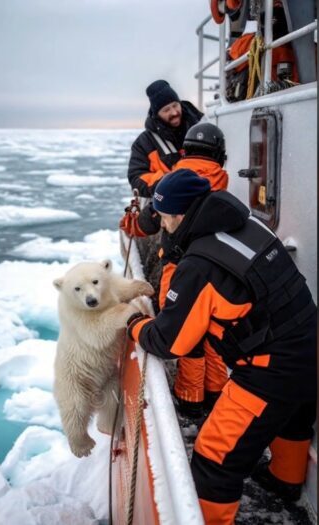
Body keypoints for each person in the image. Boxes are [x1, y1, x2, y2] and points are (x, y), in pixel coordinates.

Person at [125, 170, 318, 524]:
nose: (163, 226)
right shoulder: (248, 225)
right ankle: (286, 480)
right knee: (293, 415)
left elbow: (171, 342)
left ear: (180, 215)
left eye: (165, 217)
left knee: (214, 457)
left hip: (272, 369)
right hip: (312, 343)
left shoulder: (200, 265)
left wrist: (135, 325)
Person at [128, 123, 230, 418]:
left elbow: (146, 223)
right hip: (214, 271)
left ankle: (190, 402)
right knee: (212, 336)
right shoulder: (219, 182)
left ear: (185, 149)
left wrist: (129, 222)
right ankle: (214, 395)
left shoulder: (171, 181)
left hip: (179, 269)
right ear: (219, 154)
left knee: (187, 338)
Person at [126, 80, 203, 197]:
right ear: (157, 114)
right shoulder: (144, 143)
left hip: (205, 198)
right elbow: (136, 178)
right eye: (166, 110)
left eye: (175, 105)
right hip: (169, 206)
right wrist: (168, 181)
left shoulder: (203, 126)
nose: (174, 112)